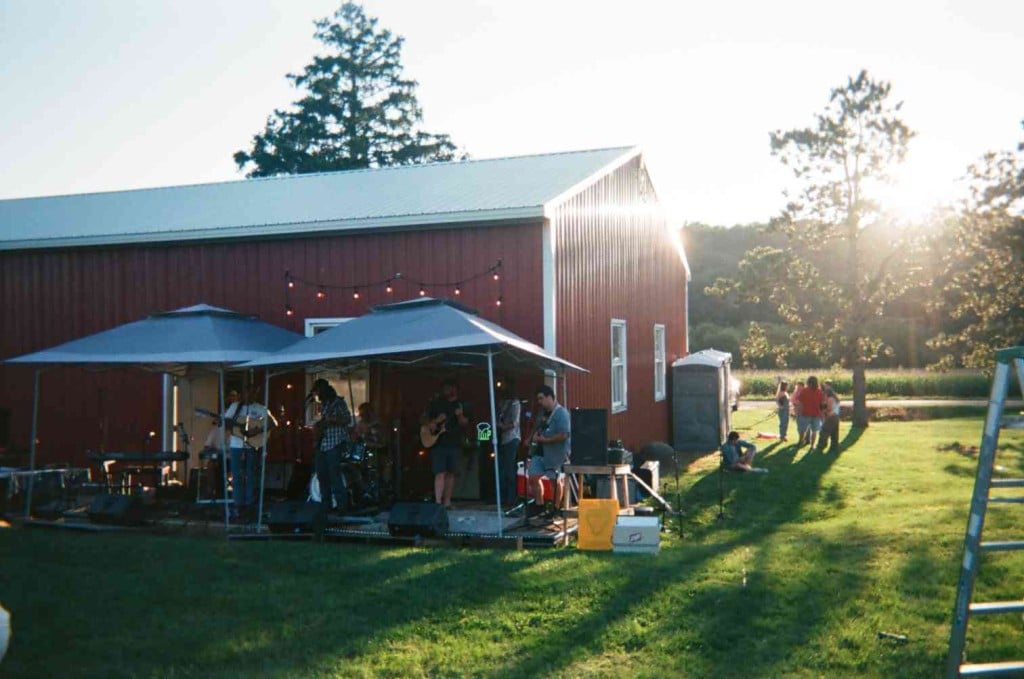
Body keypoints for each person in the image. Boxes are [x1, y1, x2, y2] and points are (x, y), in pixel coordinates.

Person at [309, 378, 353, 512]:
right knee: (322, 475)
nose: (317, 395)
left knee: (335, 475)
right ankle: (326, 504)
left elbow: (347, 419)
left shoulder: (338, 402)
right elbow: (323, 423)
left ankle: (341, 506)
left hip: (335, 442)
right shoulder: (325, 404)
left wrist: (333, 420)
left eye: (318, 392)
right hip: (323, 444)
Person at [426, 377, 469, 509]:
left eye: (450, 388)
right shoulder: (436, 403)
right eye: (445, 388)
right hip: (438, 443)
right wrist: (436, 421)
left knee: (451, 473)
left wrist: (460, 415)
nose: (447, 390)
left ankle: (447, 502)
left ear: (455, 389)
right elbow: (425, 421)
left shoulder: (462, 404)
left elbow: (465, 423)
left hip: (454, 442)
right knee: (439, 472)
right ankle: (438, 502)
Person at [530, 384, 571, 519]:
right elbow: (538, 427)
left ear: (549, 397)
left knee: (554, 481)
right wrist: (531, 439)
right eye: (538, 399)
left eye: (541, 398)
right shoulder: (542, 413)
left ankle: (555, 508)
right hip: (540, 451)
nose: (540, 402)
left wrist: (546, 440)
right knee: (533, 477)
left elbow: (564, 434)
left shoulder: (561, 413)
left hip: (554, 454)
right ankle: (540, 505)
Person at [496, 379, 522, 508]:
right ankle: (501, 497)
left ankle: (511, 498)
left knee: (509, 469)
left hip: (511, 438)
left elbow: (514, 423)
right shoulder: (502, 403)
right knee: (501, 469)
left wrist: (502, 426)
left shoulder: (515, 403)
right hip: (501, 438)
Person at [795, 376, 824, 448]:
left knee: (802, 430)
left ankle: (800, 442)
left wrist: (798, 412)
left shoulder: (804, 391)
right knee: (814, 430)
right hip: (816, 413)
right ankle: (812, 445)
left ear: (808, 382)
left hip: (805, 413)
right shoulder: (820, 392)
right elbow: (822, 404)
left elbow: (800, 402)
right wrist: (822, 414)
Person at [817, 381, 841, 454]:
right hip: (836, 417)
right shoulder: (834, 398)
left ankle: (821, 446)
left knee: (824, 431)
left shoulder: (830, 398)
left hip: (831, 417)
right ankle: (834, 447)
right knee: (834, 433)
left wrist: (823, 411)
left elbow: (829, 408)